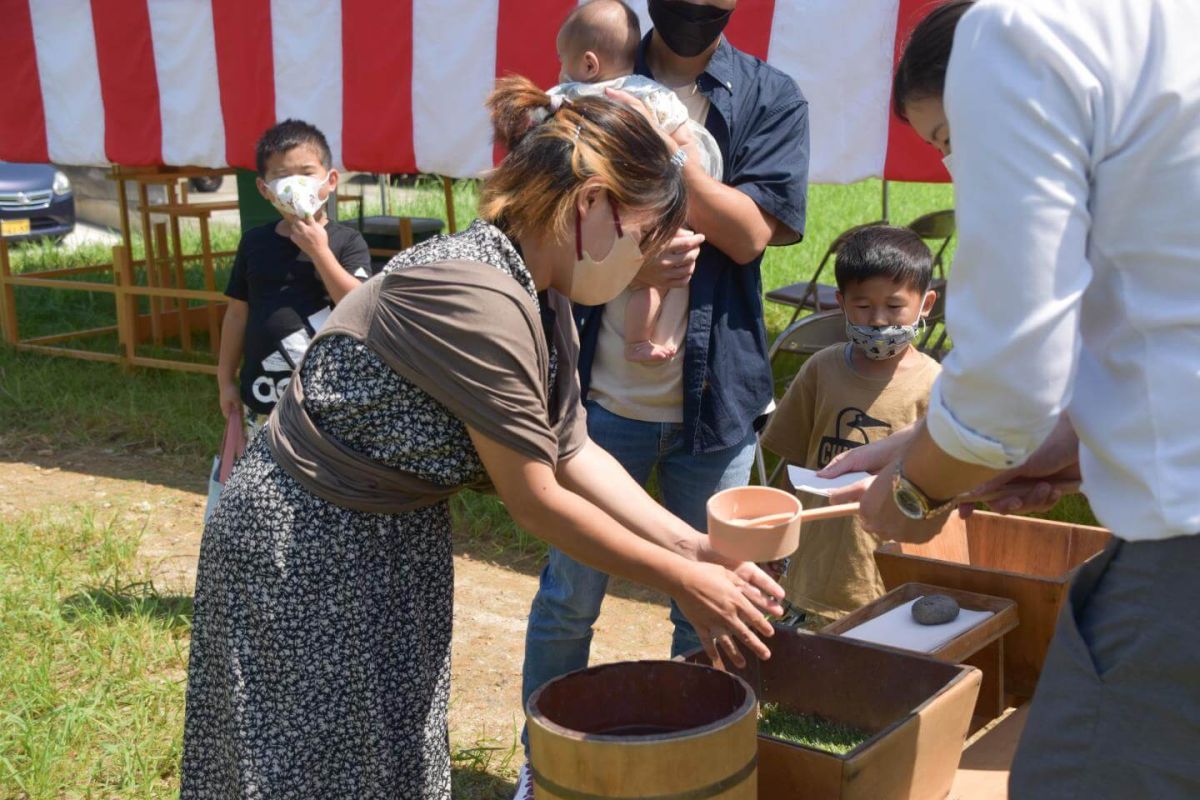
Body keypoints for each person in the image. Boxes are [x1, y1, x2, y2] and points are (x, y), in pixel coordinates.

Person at [180, 76, 785, 800]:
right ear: (591, 206)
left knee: (388, 753)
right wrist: (682, 581)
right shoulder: (481, 295)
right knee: (307, 763)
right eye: (650, 235)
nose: (655, 258)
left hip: (381, 532)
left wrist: (699, 549)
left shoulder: (538, 288)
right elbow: (536, 501)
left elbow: (575, 452)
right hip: (303, 537)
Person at [822, 0, 1200, 796]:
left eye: (952, 142)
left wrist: (919, 488)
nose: (956, 164)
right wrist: (1075, 437)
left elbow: (1007, 378)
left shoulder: (1017, 30)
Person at [518, 0, 809, 793]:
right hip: (596, 399)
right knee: (569, 597)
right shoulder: (600, 76)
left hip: (716, 405)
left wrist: (661, 155)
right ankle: (539, 763)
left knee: (708, 603)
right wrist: (633, 266)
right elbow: (536, 214)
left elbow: (753, 235)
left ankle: (703, 762)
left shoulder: (766, 95)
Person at [760, 226, 962, 623]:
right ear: (841, 303)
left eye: (894, 306)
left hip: (888, 583)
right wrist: (775, 544)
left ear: (926, 303)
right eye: (864, 307)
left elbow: (947, 490)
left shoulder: (937, 386)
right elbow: (792, 468)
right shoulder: (821, 368)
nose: (879, 320)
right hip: (808, 577)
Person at [551, 0, 723, 363]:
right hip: (654, 207)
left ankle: (634, 342)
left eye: (563, 61)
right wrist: (679, 164)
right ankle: (643, 341)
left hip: (599, 213)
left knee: (637, 271)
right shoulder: (652, 93)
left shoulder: (564, 96)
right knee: (659, 282)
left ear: (588, 63)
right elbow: (689, 143)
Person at [217, 120, 373, 435]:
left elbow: (359, 305)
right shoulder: (254, 242)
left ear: (330, 181)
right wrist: (225, 381)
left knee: (322, 480)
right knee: (265, 479)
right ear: (264, 189)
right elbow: (236, 315)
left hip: (328, 399)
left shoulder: (346, 241)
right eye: (282, 177)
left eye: (305, 174)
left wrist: (319, 251)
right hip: (263, 395)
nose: (295, 185)